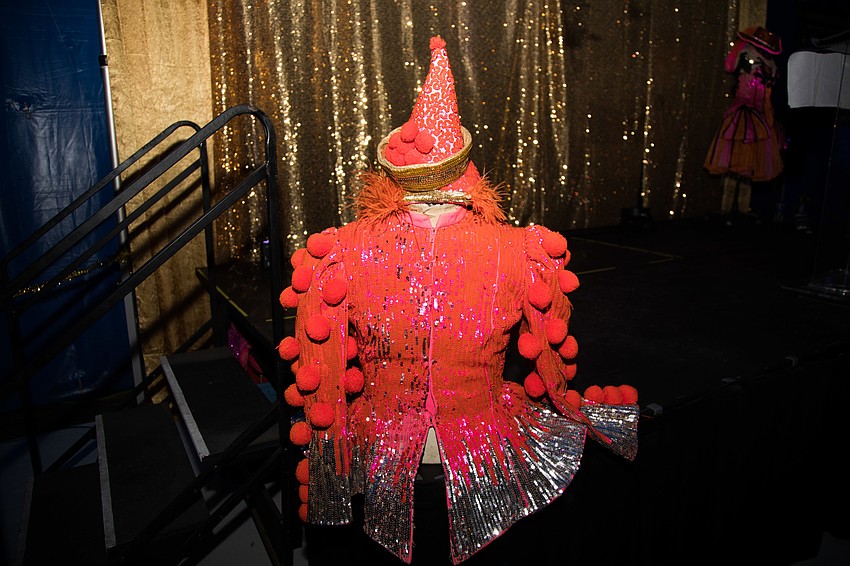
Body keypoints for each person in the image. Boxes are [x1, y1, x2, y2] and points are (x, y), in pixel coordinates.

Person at [276, 35, 639, 565]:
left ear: (395, 175)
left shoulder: (338, 251)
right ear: (466, 170)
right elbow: (552, 364)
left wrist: (328, 484)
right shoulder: (524, 251)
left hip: (376, 454)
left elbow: (321, 384)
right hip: (483, 451)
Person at [704, 26, 785, 219]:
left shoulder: (770, 64)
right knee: (736, 161)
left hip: (758, 115)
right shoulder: (748, 52)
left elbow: (767, 95)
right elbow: (729, 67)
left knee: (747, 164)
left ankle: (740, 209)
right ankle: (728, 208)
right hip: (744, 112)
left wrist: (770, 118)